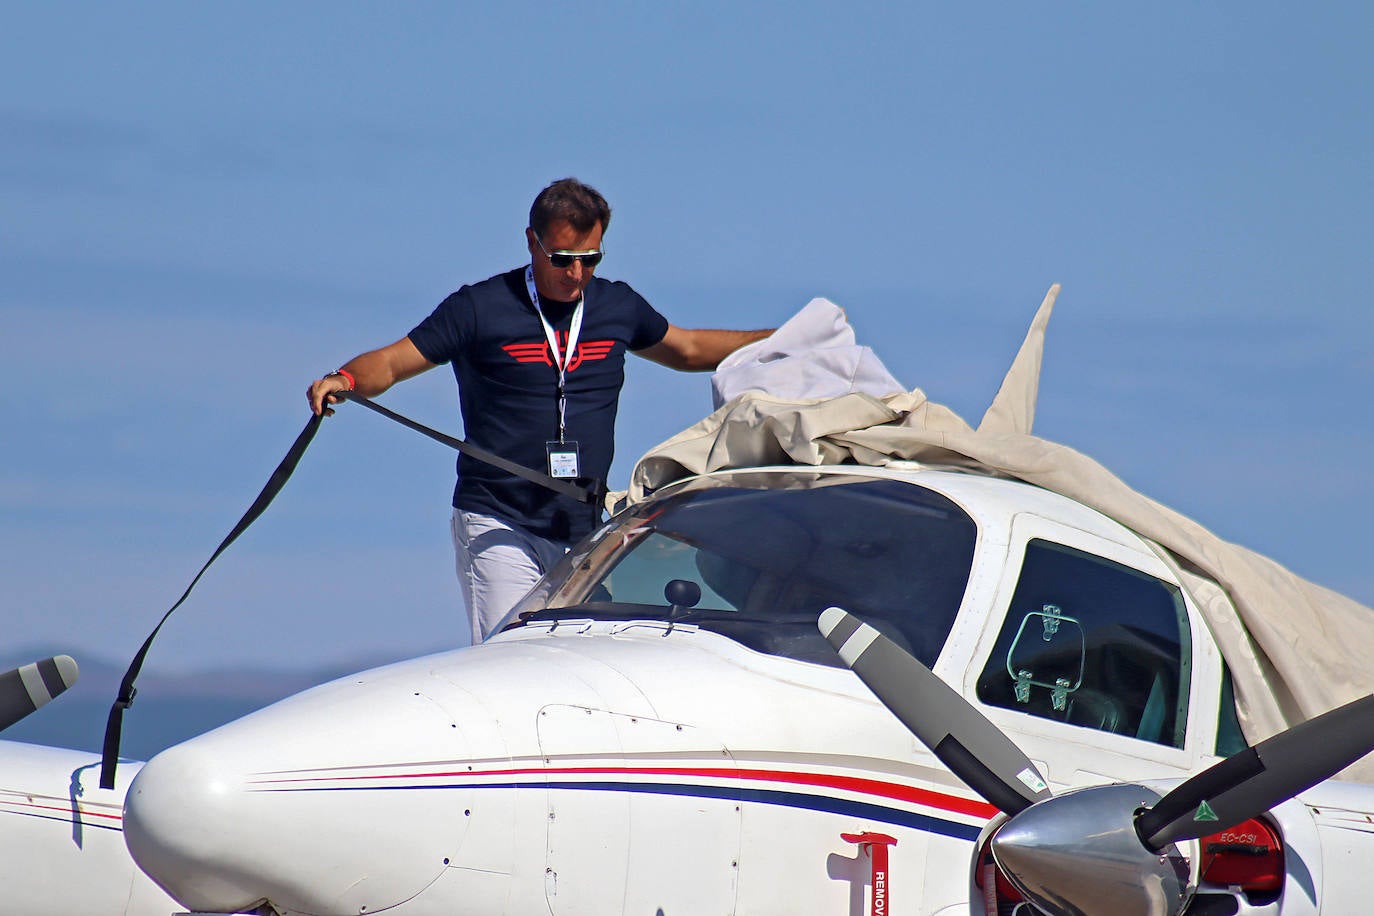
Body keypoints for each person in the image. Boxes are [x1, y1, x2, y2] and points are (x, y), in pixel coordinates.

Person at [308, 178, 773, 645]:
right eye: (562, 259)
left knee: (580, 663)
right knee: (512, 656)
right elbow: (390, 362)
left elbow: (689, 349)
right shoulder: (479, 308)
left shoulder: (617, 306)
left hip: (582, 528)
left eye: (589, 259)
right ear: (532, 242)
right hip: (498, 519)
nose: (575, 274)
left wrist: (784, 341)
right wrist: (345, 379)